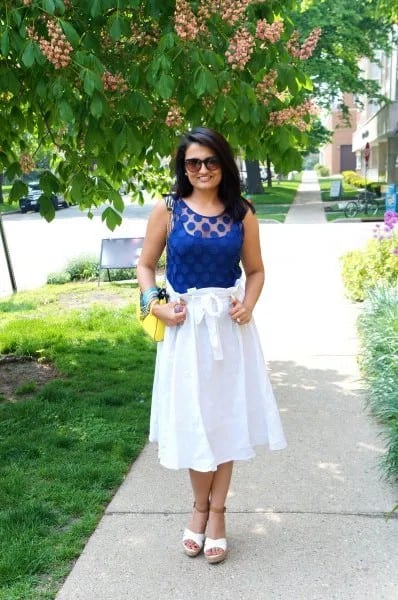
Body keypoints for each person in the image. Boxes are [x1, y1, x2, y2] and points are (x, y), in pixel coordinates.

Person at [137, 127, 286, 564]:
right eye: (192, 163)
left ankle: (216, 513)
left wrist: (249, 304)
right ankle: (198, 507)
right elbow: (146, 266)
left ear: (225, 163)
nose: (202, 170)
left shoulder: (243, 212)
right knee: (192, 421)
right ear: (182, 167)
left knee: (224, 421)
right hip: (185, 330)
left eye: (210, 161)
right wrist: (154, 305)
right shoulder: (166, 210)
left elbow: (256, 271)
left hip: (228, 329)